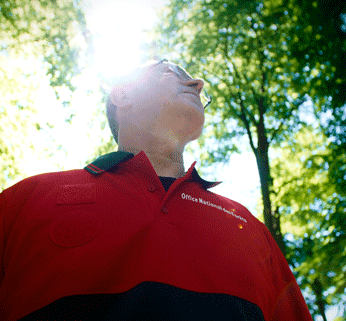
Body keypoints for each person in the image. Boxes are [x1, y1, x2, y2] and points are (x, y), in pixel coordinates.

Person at [0, 59, 313, 321]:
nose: (198, 83)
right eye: (171, 70)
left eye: (197, 84)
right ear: (123, 94)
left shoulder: (248, 226)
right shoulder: (24, 201)